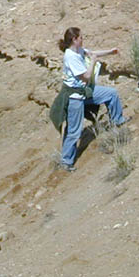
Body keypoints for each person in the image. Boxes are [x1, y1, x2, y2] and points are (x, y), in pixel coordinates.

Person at [55, 27, 127, 172]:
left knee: (111, 94)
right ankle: (66, 161)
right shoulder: (70, 56)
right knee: (74, 131)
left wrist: (110, 52)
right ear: (74, 39)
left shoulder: (77, 50)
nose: (83, 39)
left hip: (84, 92)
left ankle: (118, 121)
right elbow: (86, 76)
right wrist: (93, 62)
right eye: (81, 37)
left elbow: (92, 53)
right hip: (75, 97)